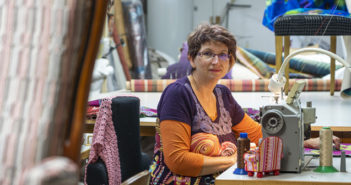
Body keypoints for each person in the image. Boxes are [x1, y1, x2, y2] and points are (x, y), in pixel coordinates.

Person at [149, 23, 340, 185]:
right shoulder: (179, 93)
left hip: (223, 178)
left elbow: (259, 134)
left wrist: (305, 142)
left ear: (231, 61)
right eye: (207, 53)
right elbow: (178, 161)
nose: (216, 61)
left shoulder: (222, 95)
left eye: (223, 54)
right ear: (191, 58)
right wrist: (236, 160)